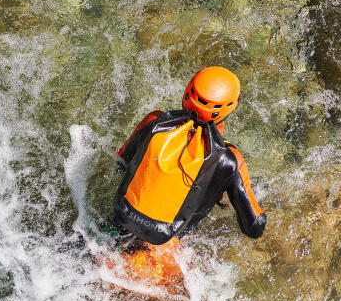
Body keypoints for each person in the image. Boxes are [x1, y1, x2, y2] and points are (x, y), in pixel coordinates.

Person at [109, 66, 266, 283]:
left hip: (117, 224)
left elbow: (120, 164)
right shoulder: (230, 160)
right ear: (228, 109)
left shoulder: (154, 121)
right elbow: (254, 227)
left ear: (187, 93)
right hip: (165, 249)